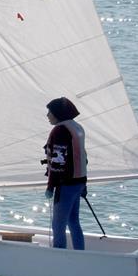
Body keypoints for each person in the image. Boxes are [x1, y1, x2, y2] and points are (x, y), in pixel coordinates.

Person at [43, 97, 87, 250]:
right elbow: (83, 158)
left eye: (50, 112)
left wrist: (50, 187)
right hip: (79, 182)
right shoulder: (77, 127)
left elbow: (58, 162)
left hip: (66, 185)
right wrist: (84, 185)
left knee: (58, 224)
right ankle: (80, 253)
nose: (48, 115)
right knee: (74, 221)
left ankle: (59, 255)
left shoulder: (60, 130)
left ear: (58, 113)